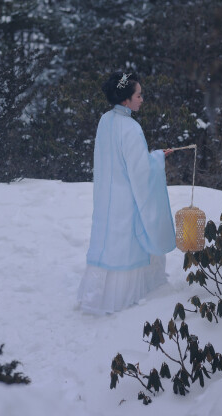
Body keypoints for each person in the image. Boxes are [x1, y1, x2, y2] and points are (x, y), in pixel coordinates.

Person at [77, 71, 176, 315]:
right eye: (139, 95)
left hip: (106, 196)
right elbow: (140, 171)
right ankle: (126, 296)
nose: (142, 99)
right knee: (129, 243)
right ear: (125, 100)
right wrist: (156, 158)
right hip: (126, 198)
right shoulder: (131, 128)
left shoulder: (105, 120)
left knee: (108, 243)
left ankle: (98, 295)